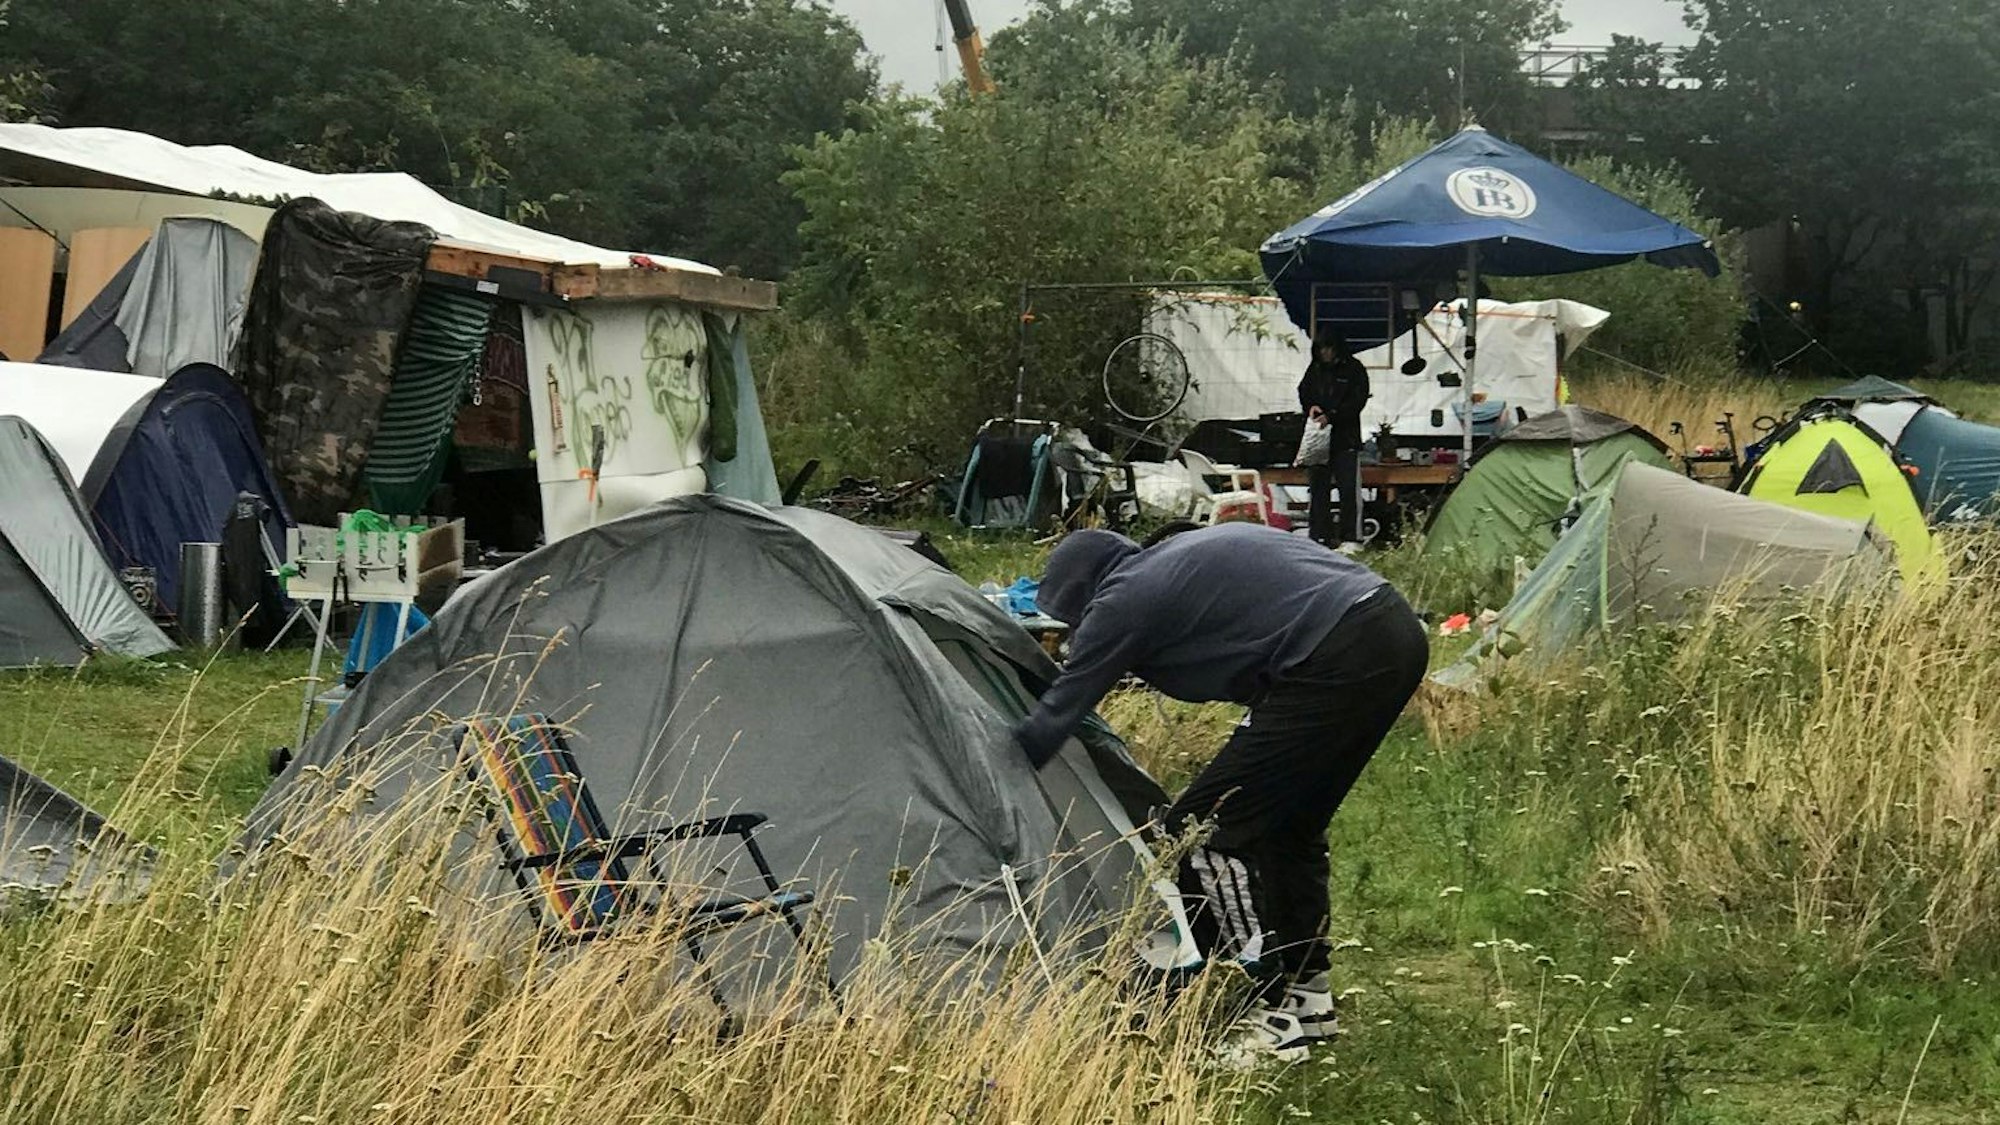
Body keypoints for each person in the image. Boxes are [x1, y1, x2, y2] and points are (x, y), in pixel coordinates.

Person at [1013, 523, 1428, 1063]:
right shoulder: (1166, 567)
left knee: (1203, 832)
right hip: (1391, 631)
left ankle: (1254, 1007)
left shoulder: (1121, 599)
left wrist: (996, 765)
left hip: (1336, 651)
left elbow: (1057, 714)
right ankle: (1306, 996)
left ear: (1082, 591)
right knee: (1288, 827)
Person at [1297, 328, 1370, 547]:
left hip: (1345, 439)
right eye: (1321, 349)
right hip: (1319, 439)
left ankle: (1351, 537)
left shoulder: (1354, 369)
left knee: (1348, 489)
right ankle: (1320, 535)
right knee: (1318, 489)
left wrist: (1332, 416)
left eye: (1329, 348)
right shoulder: (1315, 369)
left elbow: (1357, 401)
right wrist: (1311, 408)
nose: (1325, 353)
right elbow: (1303, 391)